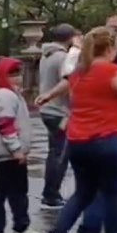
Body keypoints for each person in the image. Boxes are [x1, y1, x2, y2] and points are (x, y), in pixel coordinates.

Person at [38, 26, 117, 233]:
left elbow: (68, 89)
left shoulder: (79, 73)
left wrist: (47, 96)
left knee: (84, 192)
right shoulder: (111, 70)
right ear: (110, 48)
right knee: (114, 193)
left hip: (78, 141)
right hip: (107, 138)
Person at [0, 57, 42, 233]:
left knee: (1, 190)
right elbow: (6, 125)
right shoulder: (7, 96)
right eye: (12, 74)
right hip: (8, 152)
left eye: (18, 73)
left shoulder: (6, 94)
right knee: (17, 190)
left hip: (3, 152)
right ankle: (20, 226)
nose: (17, 78)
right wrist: (16, 149)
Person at [37, 24, 76, 210]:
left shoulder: (47, 55)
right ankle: (51, 194)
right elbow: (68, 82)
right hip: (60, 111)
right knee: (60, 154)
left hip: (47, 110)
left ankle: (50, 192)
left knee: (54, 152)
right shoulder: (63, 58)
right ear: (70, 38)